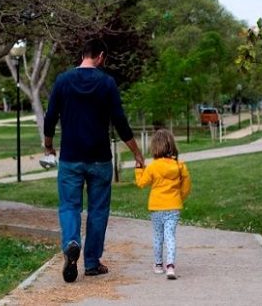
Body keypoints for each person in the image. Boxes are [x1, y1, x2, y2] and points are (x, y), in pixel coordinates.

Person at [44, 39, 145, 283]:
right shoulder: (107, 83)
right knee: (98, 211)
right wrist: (136, 153)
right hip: (100, 159)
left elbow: (50, 117)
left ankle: (71, 242)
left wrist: (48, 145)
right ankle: (91, 263)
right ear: (100, 56)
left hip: (70, 158)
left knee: (69, 206)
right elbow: (120, 121)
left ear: (83, 55)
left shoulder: (63, 80)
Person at [134, 129, 191, 280]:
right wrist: (179, 197)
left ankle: (158, 265)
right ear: (172, 145)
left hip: (156, 207)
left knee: (158, 236)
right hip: (173, 207)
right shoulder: (180, 166)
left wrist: (139, 169)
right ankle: (170, 266)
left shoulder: (153, 166)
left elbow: (141, 183)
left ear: (155, 147)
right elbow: (186, 187)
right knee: (170, 235)